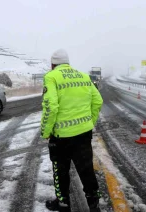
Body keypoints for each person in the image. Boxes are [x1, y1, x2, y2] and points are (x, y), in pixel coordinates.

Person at [41, 49, 103, 212]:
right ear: (67, 63)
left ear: (53, 64)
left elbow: (51, 108)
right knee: (87, 170)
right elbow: (98, 101)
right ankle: (94, 205)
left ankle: (63, 204)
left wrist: (46, 131)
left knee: (60, 172)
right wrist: (89, 122)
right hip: (83, 135)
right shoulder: (83, 76)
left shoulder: (51, 77)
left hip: (61, 138)